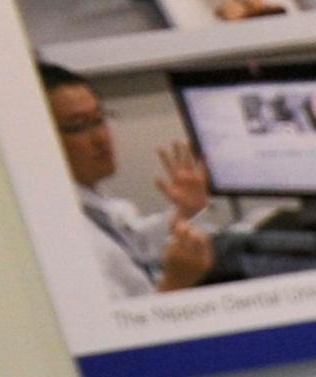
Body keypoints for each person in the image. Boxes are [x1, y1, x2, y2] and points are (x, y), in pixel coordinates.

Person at [40, 63, 216, 299]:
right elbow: (113, 330)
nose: (100, 138)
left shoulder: (94, 205)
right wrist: (176, 283)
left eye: (99, 119)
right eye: (78, 126)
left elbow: (135, 246)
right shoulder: (59, 235)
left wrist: (186, 211)